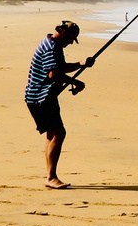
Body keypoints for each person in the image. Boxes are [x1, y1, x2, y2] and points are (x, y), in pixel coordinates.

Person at [24, 20, 95, 189]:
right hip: (40, 97)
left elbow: (60, 67)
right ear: (63, 33)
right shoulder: (52, 47)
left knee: (52, 134)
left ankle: (50, 176)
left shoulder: (50, 43)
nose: (71, 42)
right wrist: (75, 82)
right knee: (59, 133)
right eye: (71, 38)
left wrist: (81, 64)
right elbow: (53, 74)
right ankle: (51, 177)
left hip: (40, 96)